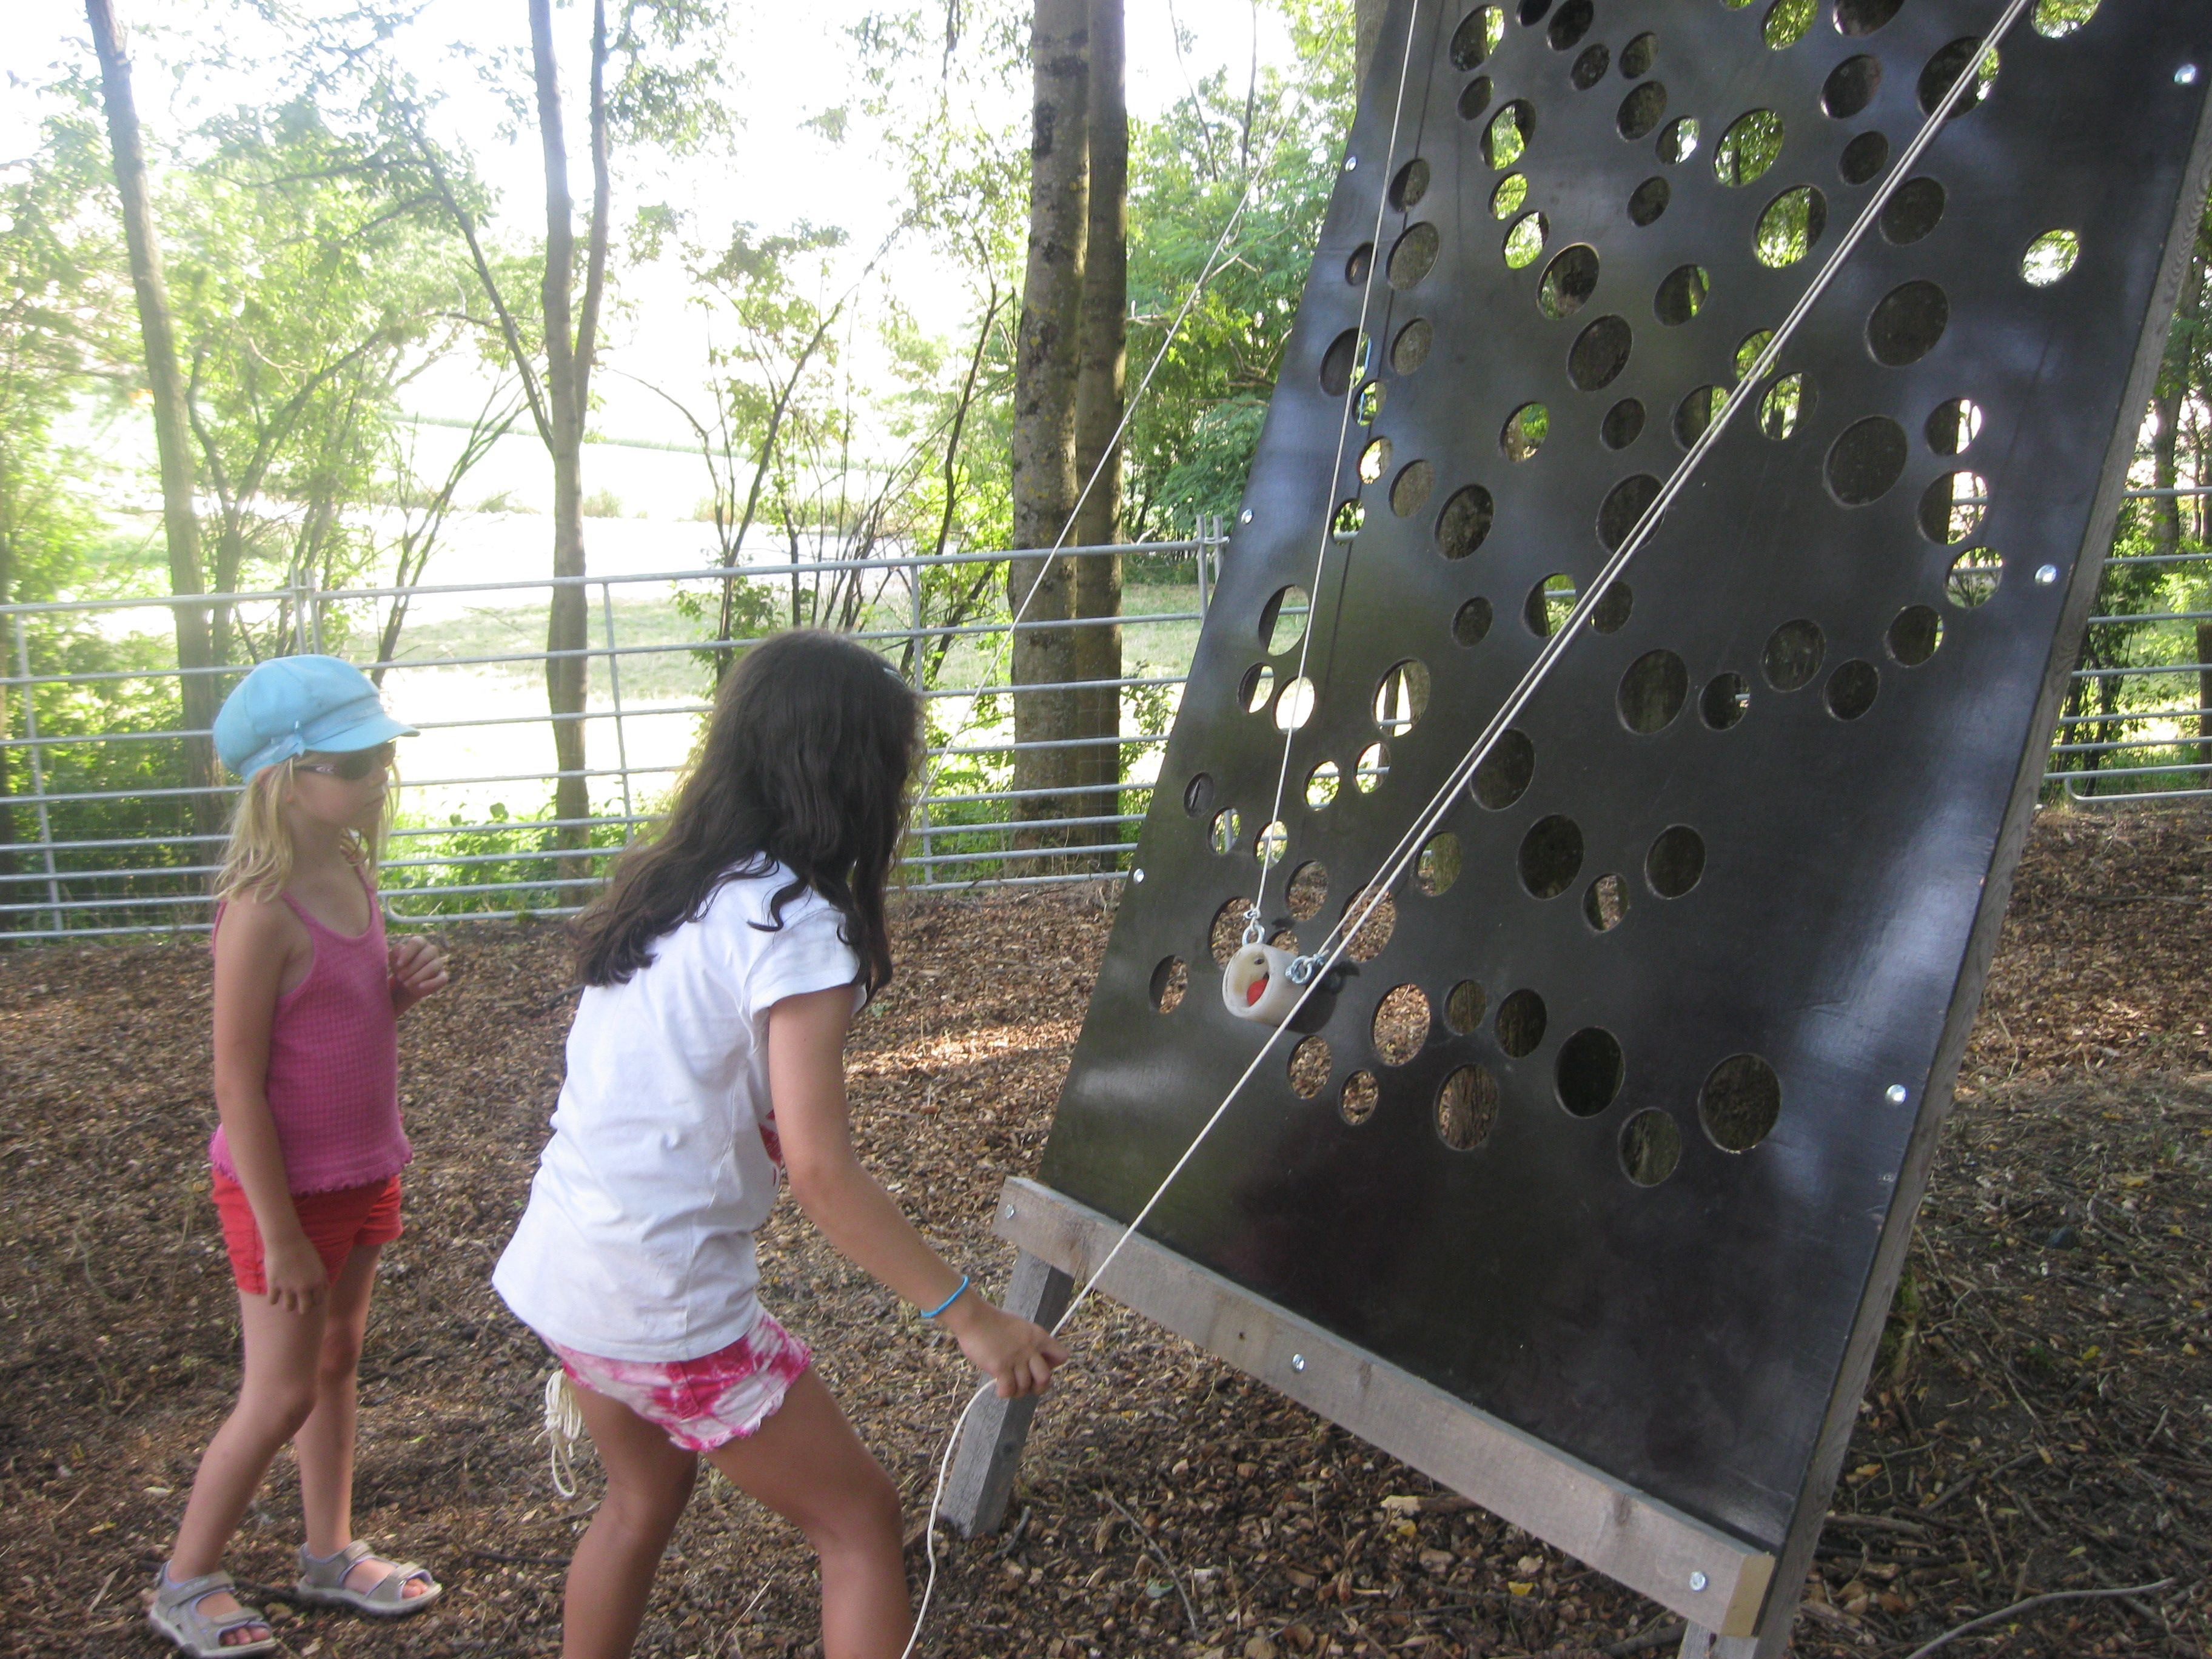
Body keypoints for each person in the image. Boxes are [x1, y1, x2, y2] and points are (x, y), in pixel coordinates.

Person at [493, 630, 1067, 1659]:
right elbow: (820, 1170)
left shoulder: (670, 885)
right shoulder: (790, 926)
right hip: (660, 1306)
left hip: (563, 1274)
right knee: (857, 1525)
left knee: (641, 1498)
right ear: (856, 777)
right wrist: (972, 1317)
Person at [150, 657, 450, 1657]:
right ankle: (186, 1578)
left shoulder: (350, 869)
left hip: (364, 1167)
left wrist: (392, 994)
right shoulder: (262, 907)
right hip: (283, 1194)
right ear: (284, 776)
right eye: (354, 762)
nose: (377, 777)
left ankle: (329, 1552)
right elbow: (237, 1084)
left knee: (336, 1361)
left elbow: (328, 1021)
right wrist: (278, 1233)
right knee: (277, 1390)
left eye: (381, 756)